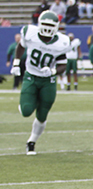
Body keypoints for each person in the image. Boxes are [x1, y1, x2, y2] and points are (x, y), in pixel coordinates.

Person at [11, 11, 71, 155]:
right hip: (31, 76)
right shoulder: (29, 32)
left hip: (48, 80)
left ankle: (31, 142)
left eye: (51, 25)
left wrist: (52, 71)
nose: (47, 28)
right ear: (39, 24)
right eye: (45, 24)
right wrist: (16, 63)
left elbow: (63, 64)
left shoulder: (62, 42)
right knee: (26, 111)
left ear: (57, 27)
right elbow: (21, 46)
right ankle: (32, 100)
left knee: (43, 114)